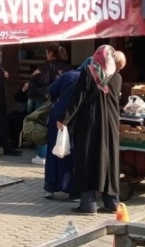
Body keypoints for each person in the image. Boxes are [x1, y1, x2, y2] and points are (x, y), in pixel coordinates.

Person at [57, 45, 125, 215]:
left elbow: (77, 98)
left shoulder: (89, 73)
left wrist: (64, 119)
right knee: (108, 160)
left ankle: (88, 204)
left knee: (87, 159)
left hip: (90, 124)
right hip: (110, 125)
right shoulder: (117, 77)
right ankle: (112, 203)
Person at [26, 43, 72, 165]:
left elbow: (43, 80)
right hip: (61, 99)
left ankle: (42, 155)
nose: (46, 55)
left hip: (46, 100)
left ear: (51, 53)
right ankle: (56, 153)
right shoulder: (67, 66)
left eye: (46, 52)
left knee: (43, 125)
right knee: (57, 126)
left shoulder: (48, 65)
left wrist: (34, 75)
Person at [43, 66, 84, 200]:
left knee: (53, 150)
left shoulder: (68, 75)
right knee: (69, 152)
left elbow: (50, 91)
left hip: (56, 115)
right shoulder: (88, 78)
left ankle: (49, 188)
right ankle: (71, 190)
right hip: (73, 118)